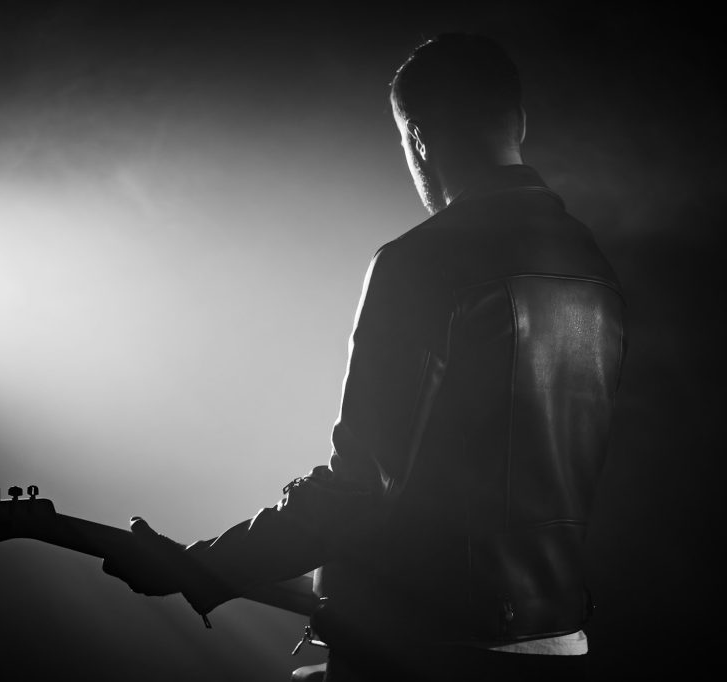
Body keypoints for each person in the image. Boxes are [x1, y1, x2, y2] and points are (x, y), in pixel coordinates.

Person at [103, 33, 626, 681]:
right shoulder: (592, 265)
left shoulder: (422, 260)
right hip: (558, 638)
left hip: (432, 648)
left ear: (418, 139)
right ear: (519, 122)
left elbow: (361, 488)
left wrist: (202, 565)